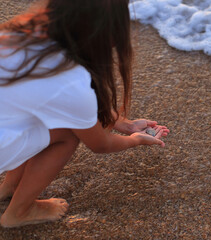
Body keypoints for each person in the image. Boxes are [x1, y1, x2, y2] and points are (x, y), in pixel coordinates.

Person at [0, 0, 169, 228]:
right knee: (68, 135)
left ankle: (8, 187)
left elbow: (61, 100)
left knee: (38, 118)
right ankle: (18, 212)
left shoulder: (18, 33)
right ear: (106, 34)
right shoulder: (71, 82)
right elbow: (100, 144)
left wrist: (125, 124)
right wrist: (135, 139)